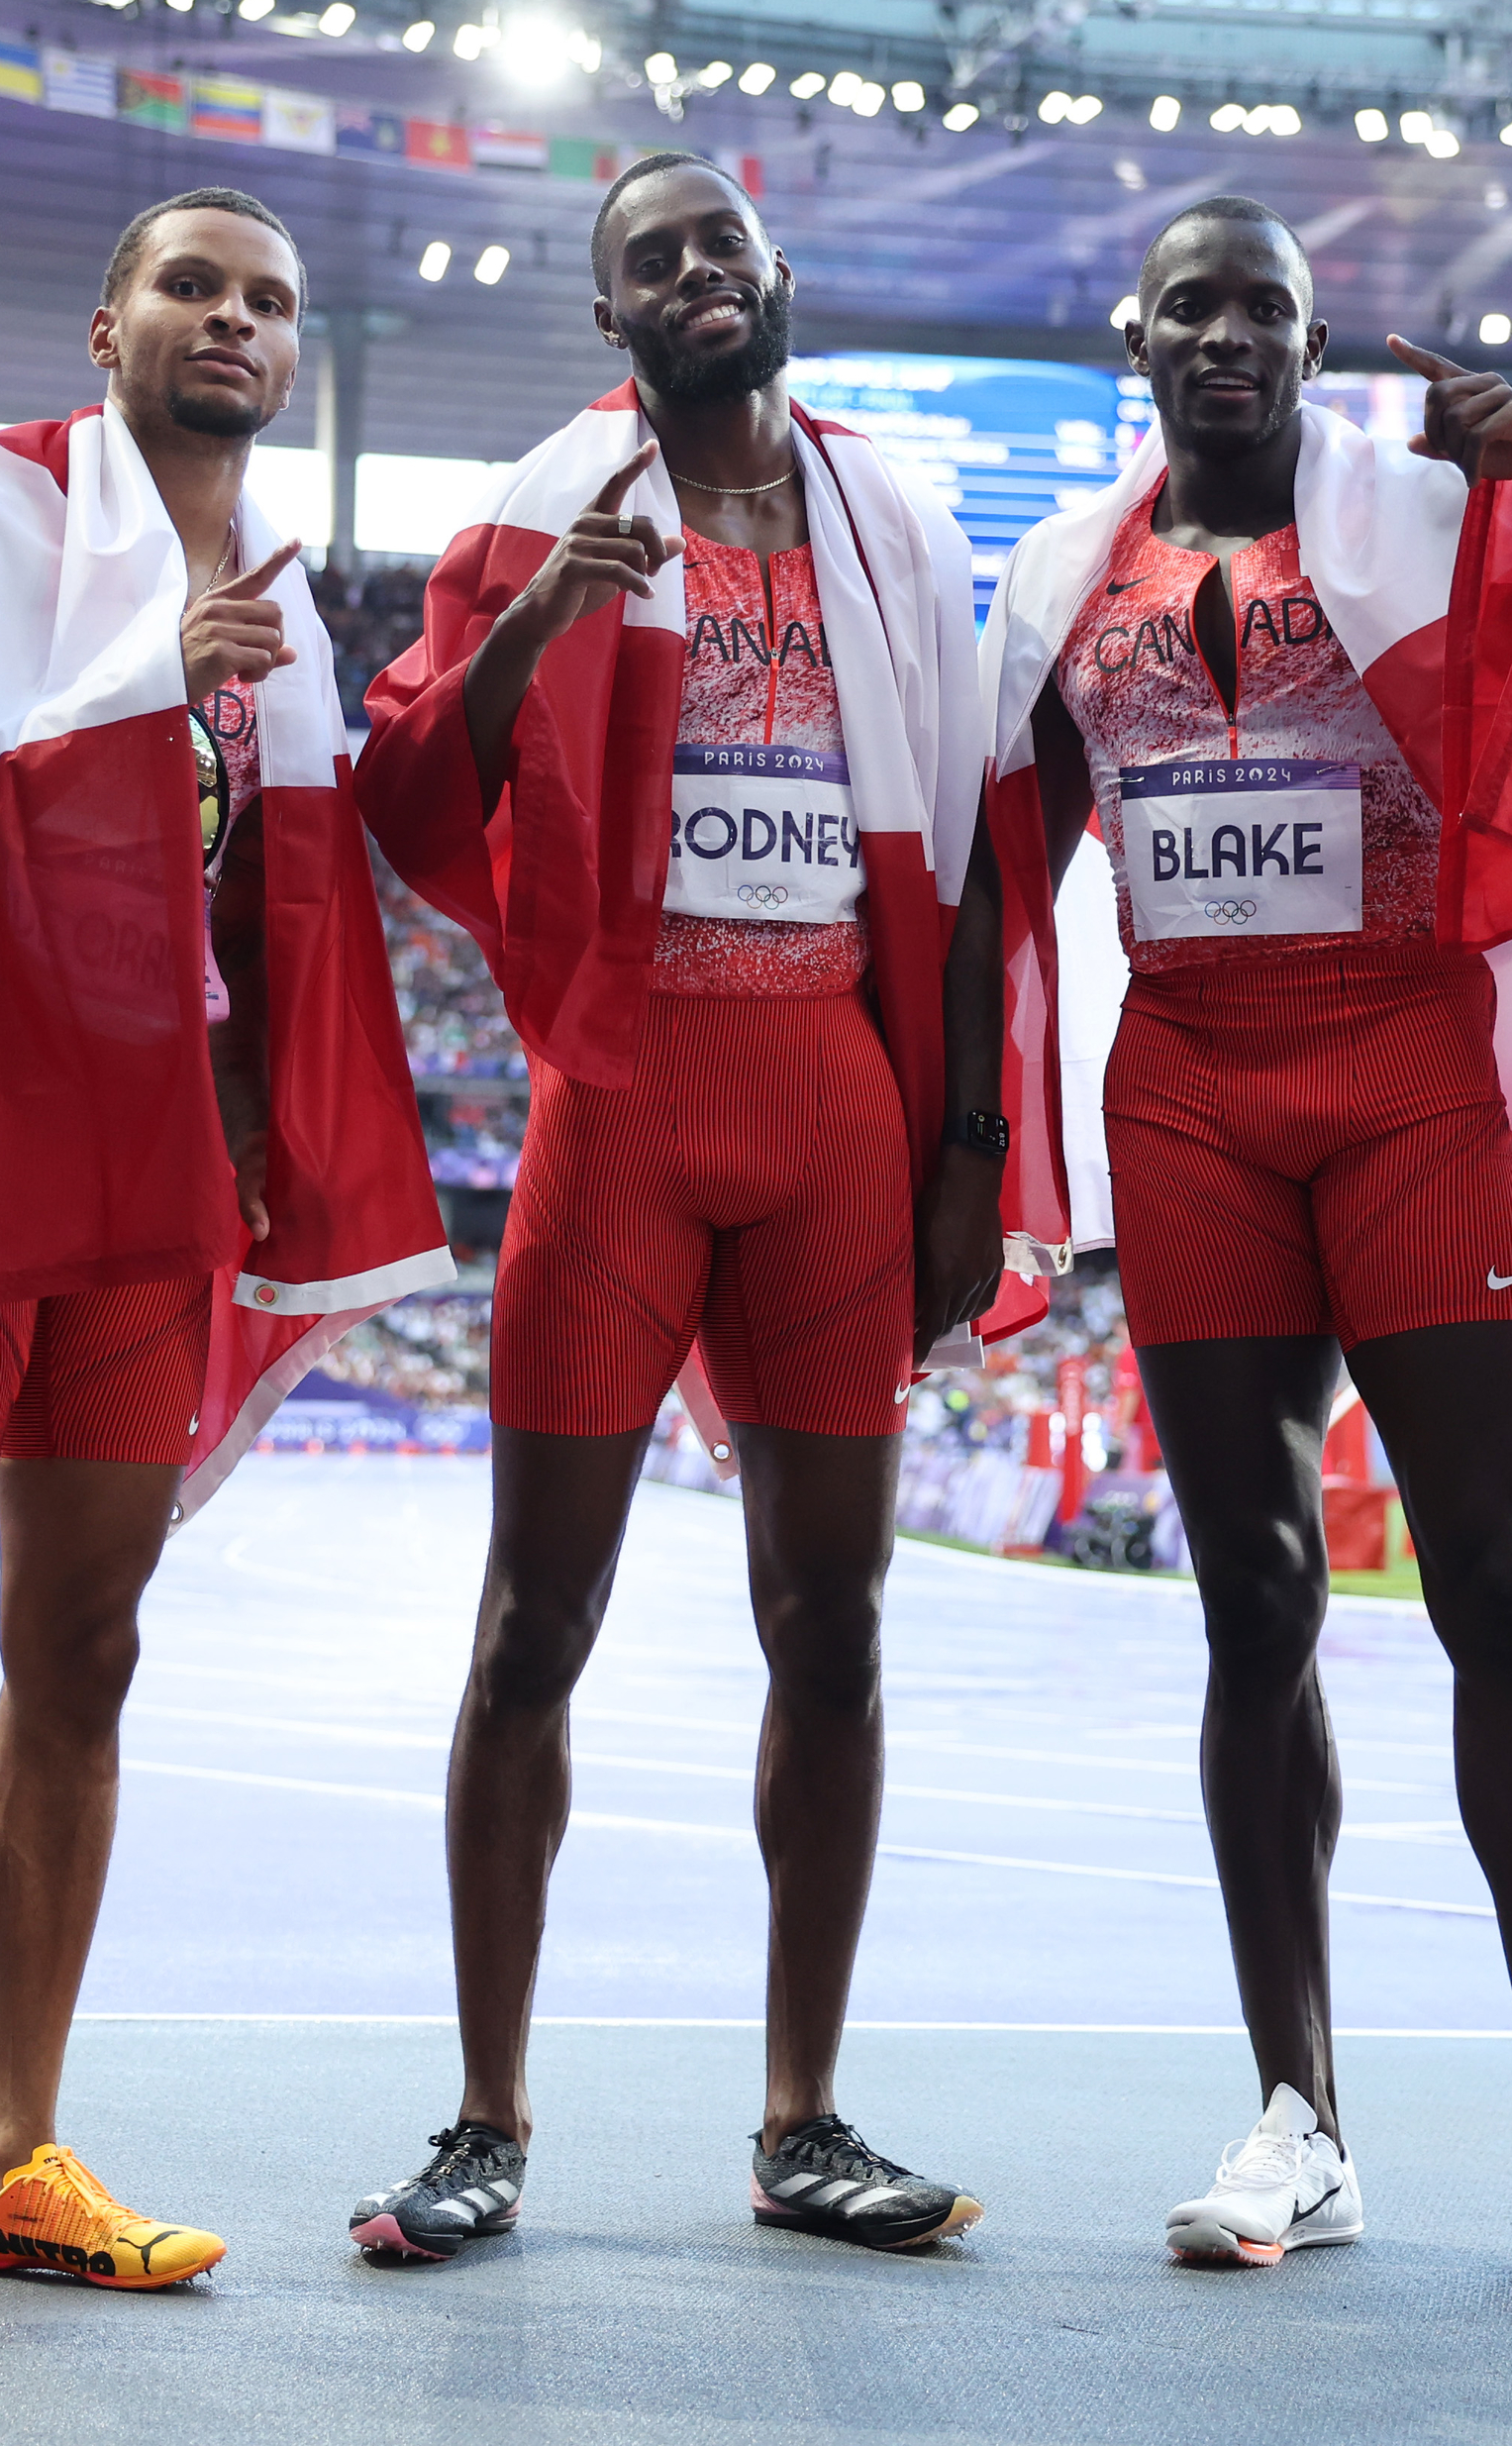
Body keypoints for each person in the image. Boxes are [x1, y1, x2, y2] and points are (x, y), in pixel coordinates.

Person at [982, 197, 1512, 2302]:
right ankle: (1293, 2112)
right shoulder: (1061, 577)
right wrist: (983, 1135)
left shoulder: (1429, 515)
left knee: (1495, 1582)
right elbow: (989, 870)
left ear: (1310, 346)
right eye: (1195, 305)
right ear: (1139, 335)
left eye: (1267, 308)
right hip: (1194, 1092)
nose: (1227, 334)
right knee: (1249, 1597)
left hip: (1404, 1075)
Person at [0, 187, 453, 2353]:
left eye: (268, 301)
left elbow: (279, 921)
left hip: (149, 1190)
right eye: (192, 286)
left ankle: (10, 2148)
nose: (232, 319)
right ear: (108, 318)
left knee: (88, 1654)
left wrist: (270, 1169)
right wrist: (158, 677)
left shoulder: (291, 614)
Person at [346, 153, 1019, 2262]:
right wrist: (546, 604)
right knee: (529, 1628)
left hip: (829, 1087)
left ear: (775, 273)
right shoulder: (539, 512)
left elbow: (976, 858)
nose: (695, 274)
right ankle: (482, 2114)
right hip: (622, 1095)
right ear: (610, 319)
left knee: (831, 1626)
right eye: (652, 260)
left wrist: (968, 1154)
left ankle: (800, 2114)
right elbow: (402, 798)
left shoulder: (891, 521)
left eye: (719, 242)